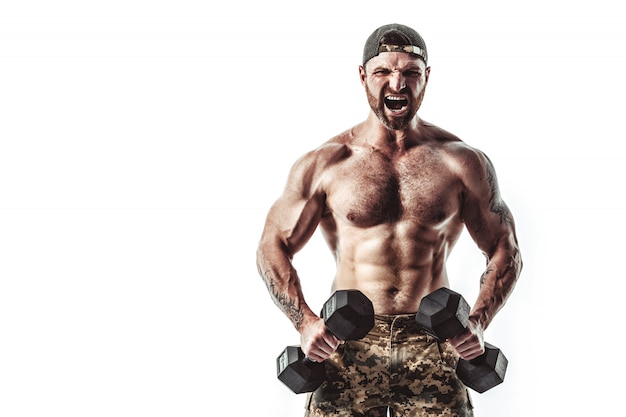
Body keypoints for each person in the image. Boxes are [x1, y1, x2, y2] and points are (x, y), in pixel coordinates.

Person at [256, 23, 522, 417]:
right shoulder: (327, 163)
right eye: (383, 72)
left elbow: (505, 248)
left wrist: (478, 322)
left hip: (432, 345)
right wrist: (305, 322)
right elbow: (272, 246)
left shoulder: (461, 162)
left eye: (410, 72)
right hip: (347, 346)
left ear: (426, 77)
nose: (397, 84)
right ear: (363, 76)